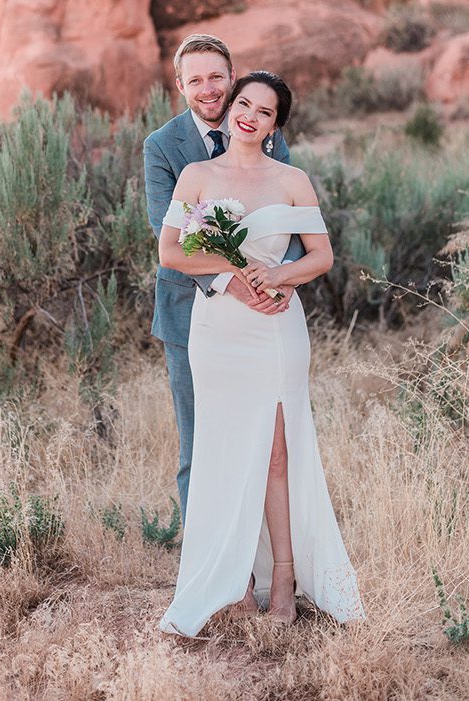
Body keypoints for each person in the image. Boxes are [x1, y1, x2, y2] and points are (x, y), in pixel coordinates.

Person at [156, 70, 365, 635]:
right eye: (242, 103)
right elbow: (171, 252)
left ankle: (286, 580)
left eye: (264, 111)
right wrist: (233, 270)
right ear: (231, 108)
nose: (248, 115)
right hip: (219, 330)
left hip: (276, 326)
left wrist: (279, 274)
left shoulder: (292, 180)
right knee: (223, 449)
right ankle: (229, 579)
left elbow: (320, 257)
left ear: (276, 125)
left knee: (277, 453)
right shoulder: (197, 175)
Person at [143, 34, 303, 526]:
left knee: (266, 442)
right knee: (200, 445)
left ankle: (261, 562)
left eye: (217, 77)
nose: (208, 89)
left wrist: (284, 280)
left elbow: (291, 220)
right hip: (191, 315)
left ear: (232, 78)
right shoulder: (163, 147)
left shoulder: (265, 131)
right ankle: (205, 576)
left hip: (265, 315)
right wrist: (232, 284)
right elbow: (166, 233)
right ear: (179, 86)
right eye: (196, 80)